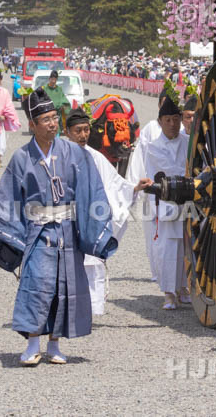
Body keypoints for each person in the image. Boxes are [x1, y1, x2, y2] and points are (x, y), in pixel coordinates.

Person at [0, 87, 118, 366]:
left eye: (55, 118)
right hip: (38, 233)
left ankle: (54, 344)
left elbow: (91, 190)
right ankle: (32, 344)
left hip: (67, 232)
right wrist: (10, 235)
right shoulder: (21, 157)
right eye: (46, 119)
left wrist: (93, 229)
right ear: (32, 125)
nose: (53, 124)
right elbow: (8, 196)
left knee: (63, 286)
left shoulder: (74, 153)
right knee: (36, 283)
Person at [64, 108, 147, 316]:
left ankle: (90, 309)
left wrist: (134, 189)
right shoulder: (58, 155)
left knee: (91, 263)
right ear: (67, 132)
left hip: (89, 219)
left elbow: (114, 184)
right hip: (65, 219)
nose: (83, 135)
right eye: (78, 131)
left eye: (86, 130)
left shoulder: (96, 157)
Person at [125, 85, 189, 308]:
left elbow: (187, 169)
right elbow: (165, 173)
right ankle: (168, 292)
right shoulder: (153, 147)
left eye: (176, 119)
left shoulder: (187, 143)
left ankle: (183, 288)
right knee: (168, 248)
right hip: (166, 202)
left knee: (186, 247)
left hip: (188, 201)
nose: (172, 124)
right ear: (160, 122)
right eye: (168, 120)